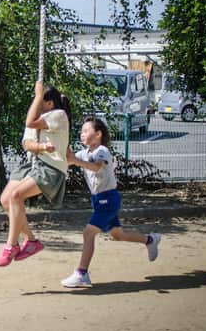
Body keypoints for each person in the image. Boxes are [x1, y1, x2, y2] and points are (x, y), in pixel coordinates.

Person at [62, 116, 161, 287]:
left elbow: (96, 166)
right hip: (99, 200)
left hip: (108, 200)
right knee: (118, 235)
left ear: (98, 134)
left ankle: (82, 273)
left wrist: (75, 160)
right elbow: (68, 157)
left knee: (88, 233)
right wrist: (62, 138)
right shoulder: (84, 153)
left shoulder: (102, 150)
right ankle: (150, 240)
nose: (82, 134)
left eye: (86, 131)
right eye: (81, 131)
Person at [0, 80, 71, 267]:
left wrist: (39, 94)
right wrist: (41, 146)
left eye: (39, 102)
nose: (35, 105)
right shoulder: (36, 120)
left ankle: (11, 245)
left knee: (16, 195)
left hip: (50, 168)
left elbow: (30, 122)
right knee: (6, 200)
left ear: (50, 103)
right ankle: (31, 240)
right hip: (33, 163)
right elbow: (27, 143)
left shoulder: (58, 115)